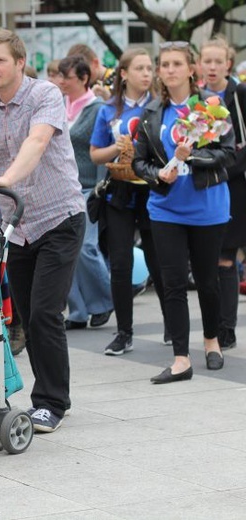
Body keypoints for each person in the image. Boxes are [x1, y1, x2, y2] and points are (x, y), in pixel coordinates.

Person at [0, 30, 85, 433]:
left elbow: (37, 143)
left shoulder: (45, 95)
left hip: (59, 217)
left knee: (44, 312)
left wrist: (4, 178)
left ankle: (51, 402)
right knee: (25, 312)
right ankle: (54, 391)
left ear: (19, 63)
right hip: (16, 225)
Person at [132, 41, 235, 382]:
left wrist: (191, 156)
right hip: (165, 210)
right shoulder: (151, 113)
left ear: (191, 69)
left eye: (177, 63)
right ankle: (180, 357)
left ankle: (212, 341)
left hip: (208, 209)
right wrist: (157, 174)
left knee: (207, 282)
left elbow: (228, 154)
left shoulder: (211, 107)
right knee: (172, 283)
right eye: (165, 64)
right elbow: (139, 161)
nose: (170, 70)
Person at [90, 47, 168, 354]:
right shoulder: (108, 109)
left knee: (159, 262)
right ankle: (124, 333)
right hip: (119, 191)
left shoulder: (161, 106)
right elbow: (96, 153)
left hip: (153, 190)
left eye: (150, 68)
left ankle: (172, 326)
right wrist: (117, 148)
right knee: (120, 263)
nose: (147, 74)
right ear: (124, 74)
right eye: (140, 68)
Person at [57, 55, 113, 330]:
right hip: (63, 187)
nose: (61, 82)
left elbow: (102, 149)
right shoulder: (59, 106)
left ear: (83, 78)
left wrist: (101, 190)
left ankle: (104, 301)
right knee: (65, 251)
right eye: (60, 76)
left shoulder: (97, 107)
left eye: (67, 77)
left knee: (86, 248)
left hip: (89, 186)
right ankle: (78, 312)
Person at [199, 37, 246, 352]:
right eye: (207, 61)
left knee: (226, 258)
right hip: (202, 185)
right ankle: (215, 326)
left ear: (228, 63)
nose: (212, 67)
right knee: (209, 261)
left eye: (218, 61)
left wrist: (223, 169)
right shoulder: (196, 97)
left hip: (233, 183)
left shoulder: (239, 94)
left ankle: (226, 327)